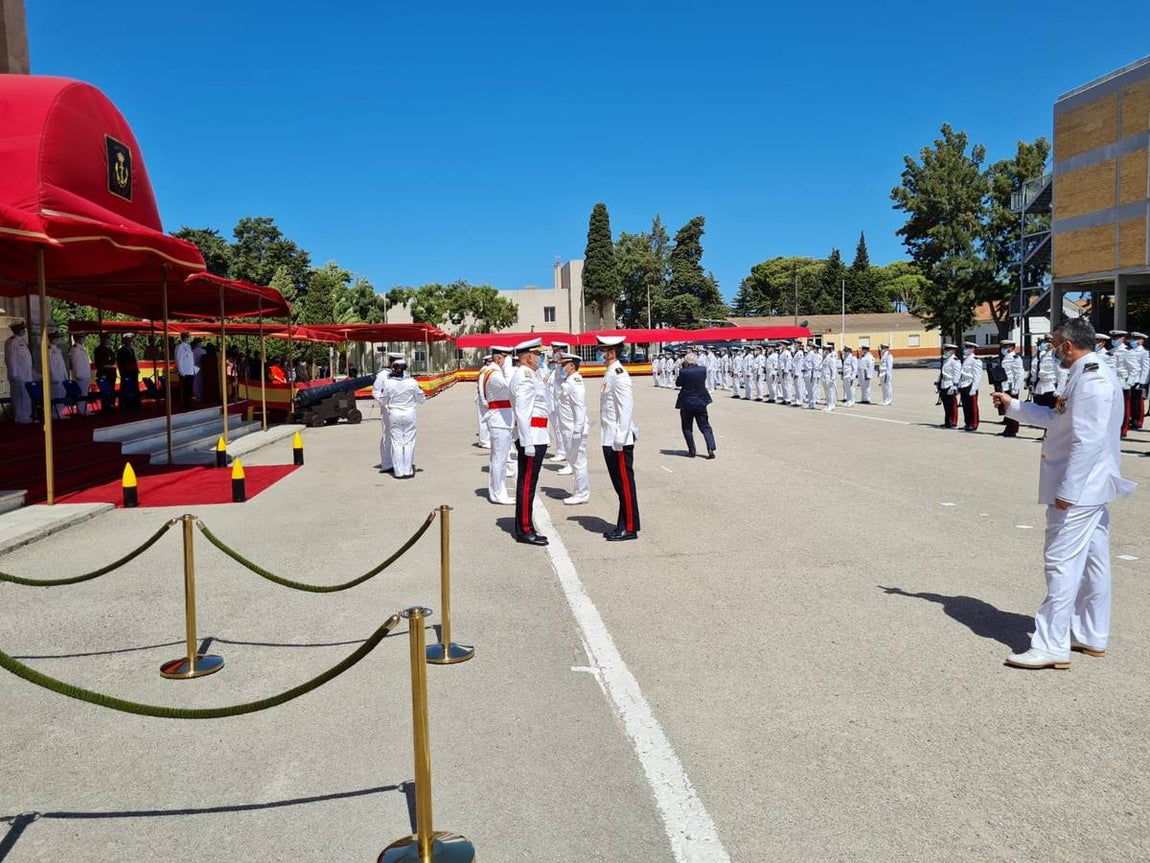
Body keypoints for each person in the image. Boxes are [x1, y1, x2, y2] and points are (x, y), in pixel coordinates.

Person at [992, 317, 1136, 670]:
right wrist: (1013, 406)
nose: (1053, 350)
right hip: (1091, 488)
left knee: (1060, 563)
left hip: (1080, 490)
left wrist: (1067, 492)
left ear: (1068, 345)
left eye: (1055, 344)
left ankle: (1052, 644)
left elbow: (1087, 441)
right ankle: (1090, 633)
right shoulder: (1087, 374)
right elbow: (1059, 419)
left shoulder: (1092, 381)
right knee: (1093, 564)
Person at [598, 335, 640, 541]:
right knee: (619, 485)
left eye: (602, 351)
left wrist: (621, 438)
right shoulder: (610, 373)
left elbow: (626, 408)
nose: (600, 354)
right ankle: (622, 524)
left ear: (611, 352)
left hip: (618, 440)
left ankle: (630, 527)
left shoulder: (619, 374)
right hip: (610, 437)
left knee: (625, 485)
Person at [508, 338, 550, 546]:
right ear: (530, 357)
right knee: (527, 485)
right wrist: (527, 442)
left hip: (536, 434)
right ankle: (525, 529)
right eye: (538, 355)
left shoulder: (529, 375)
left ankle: (526, 525)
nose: (541, 358)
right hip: (531, 436)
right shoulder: (524, 377)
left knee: (529, 483)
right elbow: (523, 412)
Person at [378, 359, 425, 478]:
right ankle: (408, 470)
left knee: (397, 443)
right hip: (410, 413)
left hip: (394, 414)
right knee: (409, 442)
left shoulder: (388, 383)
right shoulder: (412, 382)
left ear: (393, 368)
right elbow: (421, 399)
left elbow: (383, 400)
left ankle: (399, 472)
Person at [557, 352, 590, 504]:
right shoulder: (568, 381)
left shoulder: (574, 382)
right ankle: (579, 491)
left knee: (578, 462)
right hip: (568, 428)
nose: (561, 367)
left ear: (571, 366)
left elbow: (580, 408)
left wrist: (578, 430)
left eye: (563, 365)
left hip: (574, 429)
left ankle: (581, 493)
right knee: (574, 461)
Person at [675, 351, 716, 459]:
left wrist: (683, 368)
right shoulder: (702, 370)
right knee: (705, 426)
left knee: (687, 427)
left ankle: (692, 450)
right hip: (701, 401)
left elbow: (678, 383)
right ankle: (710, 447)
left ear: (687, 362)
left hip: (687, 402)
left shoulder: (684, 371)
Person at [371, 352, 405, 473]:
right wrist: (385, 403)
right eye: (396, 362)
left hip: (402, 409)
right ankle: (387, 463)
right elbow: (375, 391)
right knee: (387, 436)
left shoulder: (405, 374)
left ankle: (400, 461)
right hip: (388, 410)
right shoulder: (383, 375)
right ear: (391, 362)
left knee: (402, 436)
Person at [4, 321, 35, 424]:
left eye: (24, 329)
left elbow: (27, 360)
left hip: (26, 374)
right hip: (18, 375)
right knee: (19, 396)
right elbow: (10, 359)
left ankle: (26, 415)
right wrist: (13, 374)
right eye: (22, 329)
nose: (24, 331)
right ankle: (20, 417)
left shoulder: (23, 342)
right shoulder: (12, 342)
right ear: (16, 330)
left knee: (26, 396)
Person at [1000, 340, 1026, 437]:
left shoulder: (1016, 358)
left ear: (1012, 348)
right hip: (1006, 385)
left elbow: (1019, 374)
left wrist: (1016, 387)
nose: (1004, 349)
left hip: (1012, 386)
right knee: (1008, 408)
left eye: (1007, 347)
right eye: (1003, 347)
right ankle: (1008, 428)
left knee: (1013, 408)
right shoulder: (1006, 358)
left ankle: (1013, 429)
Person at [957, 341, 982, 431]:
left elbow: (977, 375)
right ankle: (967, 423)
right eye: (965, 347)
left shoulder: (975, 360)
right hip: (964, 385)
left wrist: (974, 388)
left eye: (968, 348)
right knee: (966, 406)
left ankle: (974, 424)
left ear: (973, 349)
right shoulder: (966, 359)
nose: (965, 349)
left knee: (972, 407)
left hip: (970, 385)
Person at [938, 344, 962, 428]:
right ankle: (947, 421)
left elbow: (957, 374)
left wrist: (955, 385)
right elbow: (942, 373)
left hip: (950, 384)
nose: (946, 352)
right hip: (944, 384)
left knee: (952, 405)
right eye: (946, 350)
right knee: (946, 405)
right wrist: (938, 382)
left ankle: (953, 421)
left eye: (948, 350)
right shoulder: (946, 360)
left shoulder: (955, 361)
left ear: (953, 351)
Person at [46, 330, 68, 419]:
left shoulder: (57, 350)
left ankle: (60, 412)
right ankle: (55, 413)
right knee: (56, 395)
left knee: (62, 394)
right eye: (56, 338)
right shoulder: (49, 351)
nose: (57, 340)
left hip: (61, 377)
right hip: (55, 378)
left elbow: (62, 365)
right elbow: (50, 365)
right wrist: (54, 377)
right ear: (52, 339)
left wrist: (65, 376)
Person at [116, 333, 141, 410]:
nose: (130, 342)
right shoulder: (121, 351)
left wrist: (137, 369)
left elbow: (134, 360)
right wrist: (122, 374)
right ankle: (125, 405)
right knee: (126, 390)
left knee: (134, 389)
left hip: (133, 373)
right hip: (126, 373)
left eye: (131, 341)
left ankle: (134, 404)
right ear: (125, 341)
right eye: (128, 341)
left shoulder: (132, 350)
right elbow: (120, 363)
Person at [69, 333, 92, 416]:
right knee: (81, 394)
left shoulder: (81, 348)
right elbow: (76, 363)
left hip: (85, 374)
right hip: (81, 375)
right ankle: (81, 410)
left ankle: (84, 409)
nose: (83, 339)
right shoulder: (75, 349)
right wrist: (78, 374)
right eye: (81, 337)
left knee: (84, 393)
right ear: (77, 338)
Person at [1129, 332, 1148, 430]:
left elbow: (1145, 368)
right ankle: (1132, 419)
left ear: (1141, 340)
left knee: (1138, 402)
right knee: (1131, 401)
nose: (1133, 341)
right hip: (1130, 379)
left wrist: (1143, 382)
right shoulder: (1130, 351)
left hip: (1138, 380)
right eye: (1132, 339)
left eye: (1136, 339)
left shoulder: (1144, 352)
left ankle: (1138, 421)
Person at [174, 331, 197, 410]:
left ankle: (189, 404)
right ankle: (184, 405)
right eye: (186, 337)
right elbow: (178, 359)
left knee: (189, 390)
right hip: (184, 372)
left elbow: (190, 359)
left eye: (188, 336)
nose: (187, 338)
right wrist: (181, 371)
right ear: (183, 337)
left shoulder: (188, 346)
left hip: (190, 371)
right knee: (184, 390)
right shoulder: (179, 347)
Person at [475, 355, 493, 448]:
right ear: (485, 362)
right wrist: (484, 400)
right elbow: (482, 387)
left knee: (487, 419)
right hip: (482, 399)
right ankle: (483, 441)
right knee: (483, 420)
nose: (490, 363)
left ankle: (486, 440)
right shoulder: (484, 371)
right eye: (489, 361)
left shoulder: (488, 370)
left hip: (486, 398)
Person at [820, 343, 839, 411]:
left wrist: (833, 378)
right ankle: (828, 404)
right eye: (824, 349)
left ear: (828, 350)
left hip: (829, 378)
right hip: (824, 378)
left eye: (825, 349)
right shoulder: (825, 357)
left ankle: (831, 405)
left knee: (830, 392)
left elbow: (833, 369)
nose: (824, 351)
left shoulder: (831, 358)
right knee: (826, 392)